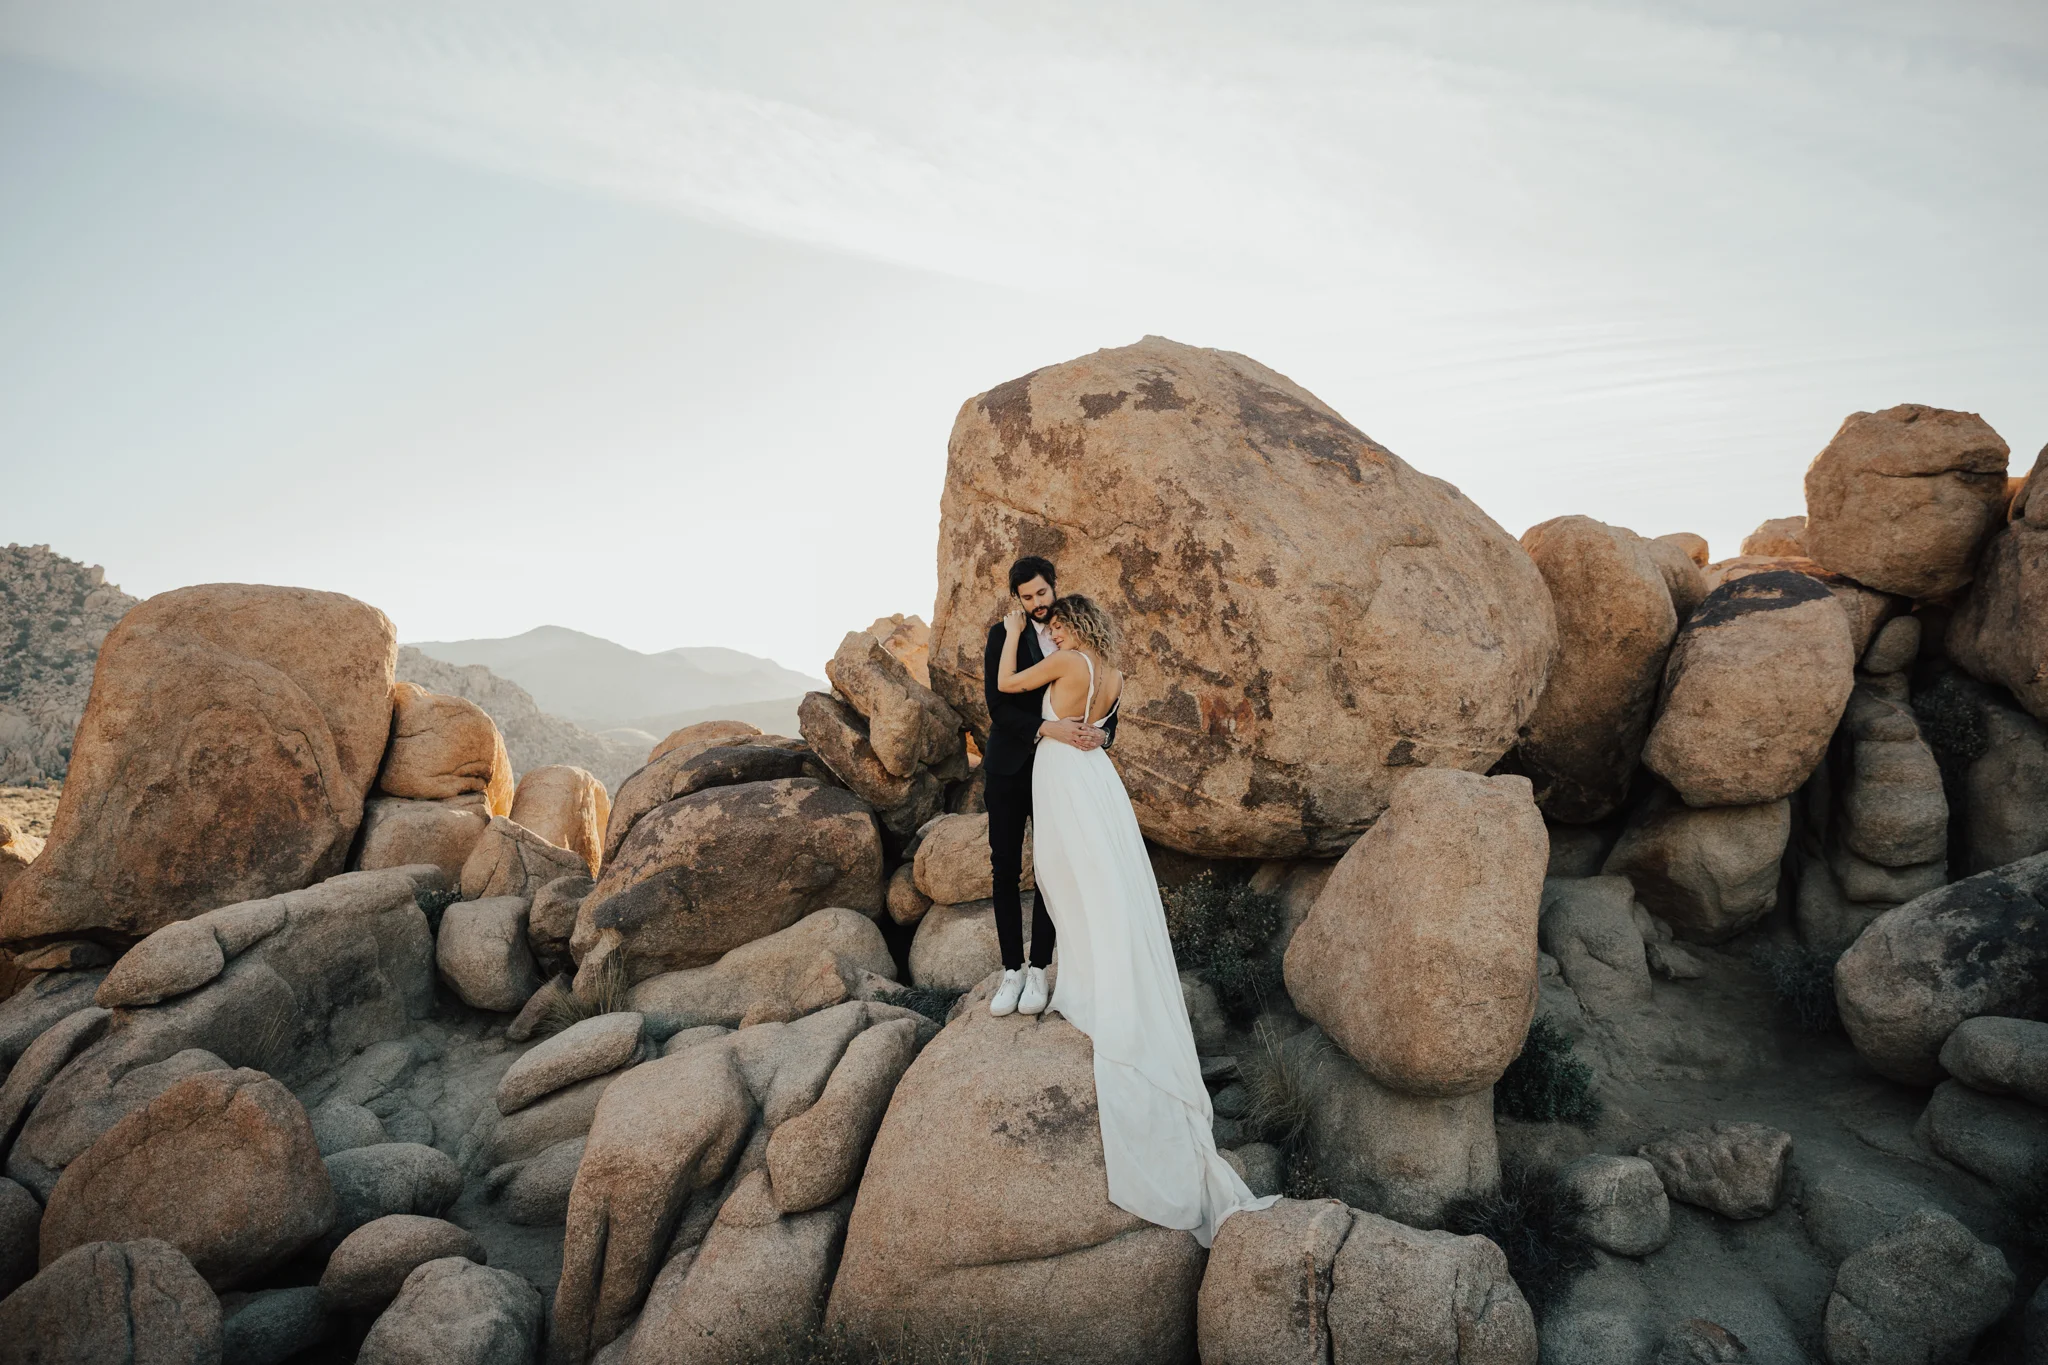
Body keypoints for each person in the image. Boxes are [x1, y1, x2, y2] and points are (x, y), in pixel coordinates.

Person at [996, 592, 1277, 1247]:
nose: (1052, 630)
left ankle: (1093, 990)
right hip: (1097, 776)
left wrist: (1013, 632)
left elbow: (1009, 689)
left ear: (1070, 625)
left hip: (1068, 776)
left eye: (1055, 623)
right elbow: (1102, 729)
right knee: (1103, 887)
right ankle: (1095, 978)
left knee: (1069, 882)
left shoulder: (1066, 662)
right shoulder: (1115, 677)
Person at [980, 556, 1115, 1018]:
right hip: (1009, 765)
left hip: (1059, 773)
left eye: (1042, 593)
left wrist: (1105, 734)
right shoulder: (1002, 636)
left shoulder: (1072, 635)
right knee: (1004, 866)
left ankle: (1039, 967)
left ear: (1054, 587)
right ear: (1016, 599)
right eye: (1027, 597)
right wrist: (1045, 728)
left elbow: (1103, 704)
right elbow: (998, 705)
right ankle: (1011, 969)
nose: (1037, 604)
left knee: (1051, 867)